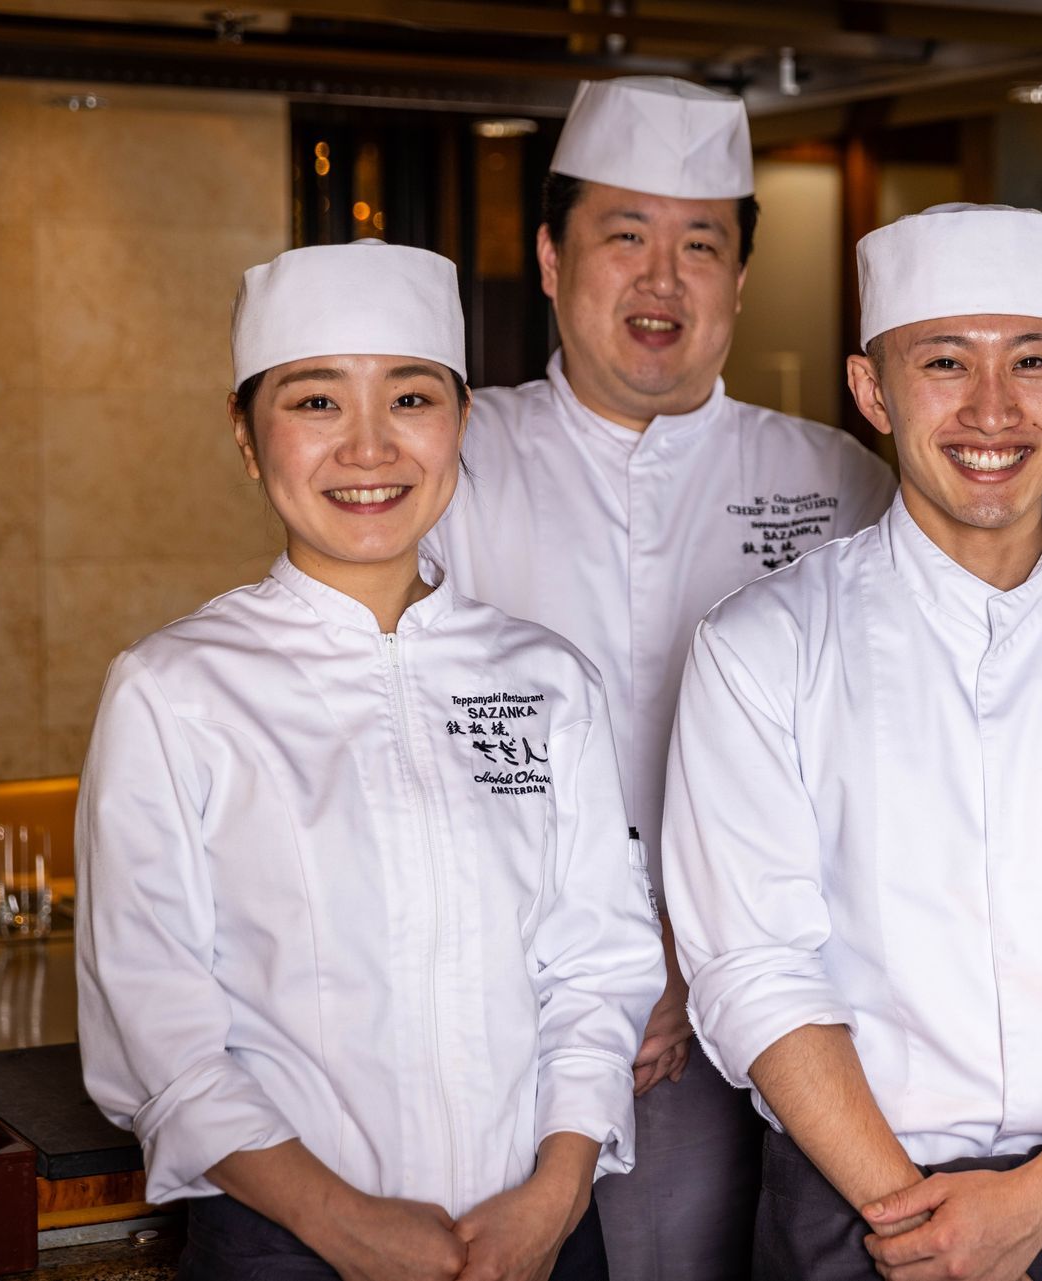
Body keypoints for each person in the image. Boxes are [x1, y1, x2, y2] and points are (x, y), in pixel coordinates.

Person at [662, 203, 1042, 1281]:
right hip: (852, 1204)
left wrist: (1041, 1203)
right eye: (945, 362)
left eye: (1031, 361)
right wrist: (918, 1222)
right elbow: (754, 965)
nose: (993, 409)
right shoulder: (762, 647)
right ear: (870, 391)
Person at [76, 240, 666, 1281]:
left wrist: (557, 1190)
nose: (368, 448)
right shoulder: (175, 692)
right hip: (284, 1248)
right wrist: (344, 1223)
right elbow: (156, 1025)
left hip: (541, 1239)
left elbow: (597, 970)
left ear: (461, 424)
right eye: (314, 403)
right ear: (247, 438)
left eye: (410, 398)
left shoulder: (546, 679)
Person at [425, 77, 896, 1279]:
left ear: (739, 278)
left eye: (701, 244)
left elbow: (875, 776)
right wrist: (597, 977)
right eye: (622, 235)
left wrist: (690, 964)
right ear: (547, 254)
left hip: (752, 1024)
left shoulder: (840, 483)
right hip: (495, 1021)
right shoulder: (448, 463)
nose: (661, 279)